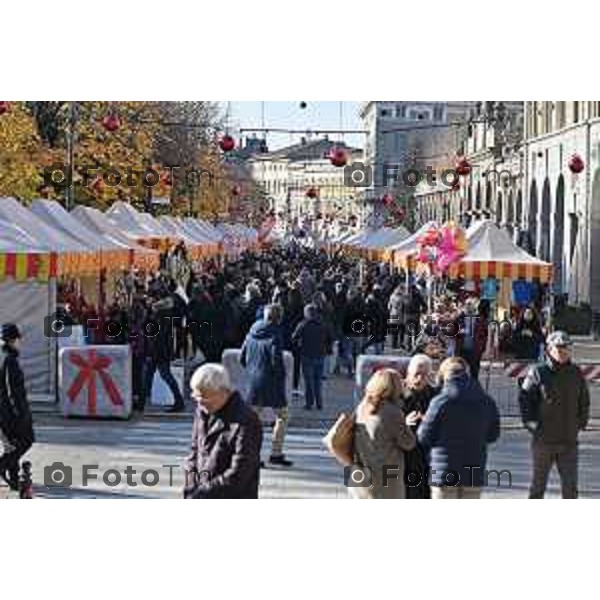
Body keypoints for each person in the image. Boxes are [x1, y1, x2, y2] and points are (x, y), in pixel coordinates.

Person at [519, 331, 590, 498]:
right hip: (544, 441)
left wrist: (581, 423)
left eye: (566, 348)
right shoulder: (537, 371)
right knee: (538, 487)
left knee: (570, 489)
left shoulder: (576, 372)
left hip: (569, 442)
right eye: (559, 348)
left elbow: (584, 400)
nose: (563, 351)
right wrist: (531, 424)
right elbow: (525, 399)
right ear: (549, 350)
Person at [417, 357, 500, 499]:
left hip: (443, 470)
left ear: (444, 375)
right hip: (474, 468)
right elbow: (493, 435)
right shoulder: (487, 401)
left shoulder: (440, 401)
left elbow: (423, 436)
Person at [184, 364, 262, 499]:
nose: (202, 404)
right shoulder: (202, 410)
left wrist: (203, 493)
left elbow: (239, 473)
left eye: (206, 399)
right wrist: (190, 487)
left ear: (224, 392)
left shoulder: (246, 420)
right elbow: (194, 452)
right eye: (198, 398)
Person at [349, 369, 416, 499]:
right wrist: (406, 425)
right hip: (385, 477)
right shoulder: (392, 412)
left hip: (359, 473)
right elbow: (408, 443)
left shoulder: (362, 407)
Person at [240, 303, 293, 467]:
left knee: (252, 420)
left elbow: (242, 357)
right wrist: (282, 376)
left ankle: (251, 455)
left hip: (253, 381)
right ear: (278, 318)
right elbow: (276, 360)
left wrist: (251, 370)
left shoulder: (251, 331)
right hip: (271, 381)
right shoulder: (276, 334)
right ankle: (276, 452)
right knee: (282, 416)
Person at [0, 324, 34, 491]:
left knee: (13, 444)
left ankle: (14, 480)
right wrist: (20, 414)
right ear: (12, 340)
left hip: (3, 411)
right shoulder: (9, 359)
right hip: (10, 413)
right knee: (27, 439)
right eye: (18, 339)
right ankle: (2, 466)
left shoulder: (3, 356)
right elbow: (11, 391)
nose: (20, 342)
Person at [143, 291, 186, 412]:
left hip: (159, 351)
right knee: (152, 375)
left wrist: (152, 351)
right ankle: (142, 401)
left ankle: (179, 401)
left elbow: (157, 336)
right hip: (162, 351)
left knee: (162, 375)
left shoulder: (161, 317)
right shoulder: (166, 316)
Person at [403, 355, 438, 499]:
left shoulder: (435, 396)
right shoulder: (398, 394)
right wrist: (404, 422)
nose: (419, 378)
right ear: (408, 373)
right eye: (416, 374)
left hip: (426, 458)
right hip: (404, 456)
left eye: (424, 375)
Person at [292, 303, 333, 411]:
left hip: (307, 354)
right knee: (318, 381)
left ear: (306, 313)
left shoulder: (303, 324)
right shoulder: (323, 323)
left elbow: (294, 337)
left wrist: (299, 345)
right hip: (320, 355)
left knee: (308, 381)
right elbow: (330, 338)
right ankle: (319, 403)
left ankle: (309, 403)